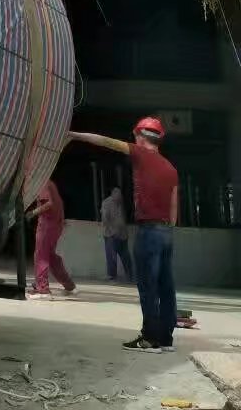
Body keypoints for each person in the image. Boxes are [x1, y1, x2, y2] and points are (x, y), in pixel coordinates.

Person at [68, 119, 178, 353]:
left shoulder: (140, 153)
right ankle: (166, 339)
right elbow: (174, 209)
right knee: (166, 286)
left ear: (140, 136)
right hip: (166, 231)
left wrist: (76, 135)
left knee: (148, 285)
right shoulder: (171, 168)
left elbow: (106, 142)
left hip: (149, 231)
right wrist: (167, 230)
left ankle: (149, 338)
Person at [26, 177, 76, 299]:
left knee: (41, 255)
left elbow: (49, 203)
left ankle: (42, 288)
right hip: (56, 224)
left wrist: (32, 213)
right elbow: (59, 203)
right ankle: (68, 284)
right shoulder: (50, 183)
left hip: (47, 223)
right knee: (51, 256)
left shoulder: (42, 183)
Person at [100, 187, 133, 283]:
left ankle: (129, 275)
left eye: (120, 196)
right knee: (111, 256)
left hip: (122, 234)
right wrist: (112, 231)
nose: (120, 198)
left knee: (125, 256)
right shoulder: (106, 203)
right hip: (111, 234)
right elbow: (105, 219)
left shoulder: (121, 203)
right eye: (118, 195)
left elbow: (122, 217)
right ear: (113, 194)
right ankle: (112, 276)